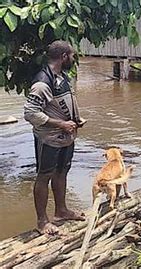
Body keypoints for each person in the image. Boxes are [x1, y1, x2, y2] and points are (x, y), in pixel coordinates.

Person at [24, 40, 86, 235]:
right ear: (64, 57)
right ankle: (42, 221)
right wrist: (61, 124)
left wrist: (75, 119)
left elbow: (63, 103)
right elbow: (31, 113)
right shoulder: (42, 82)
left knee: (62, 172)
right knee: (44, 176)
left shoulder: (62, 76)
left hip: (65, 137)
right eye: (72, 56)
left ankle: (61, 210)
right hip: (49, 138)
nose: (73, 59)